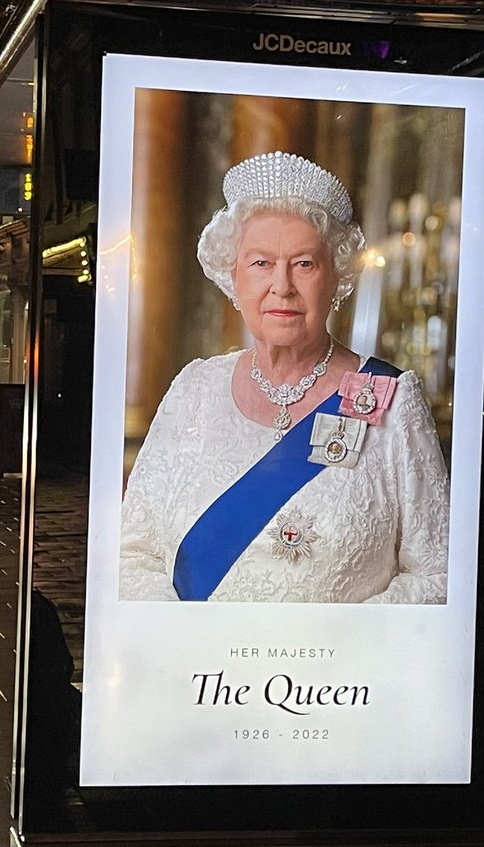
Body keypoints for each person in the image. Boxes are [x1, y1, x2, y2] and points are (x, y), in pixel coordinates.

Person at [119, 150, 450, 604]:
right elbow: (132, 555)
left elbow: (436, 574)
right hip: (207, 675)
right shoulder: (193, 389)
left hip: (335, 675)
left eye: (304, 263)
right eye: (260, 263)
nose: (282, 285)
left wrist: (330, 652)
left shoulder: (389, 398)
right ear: (233, 278)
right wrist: (187, 648)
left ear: (336, 277)